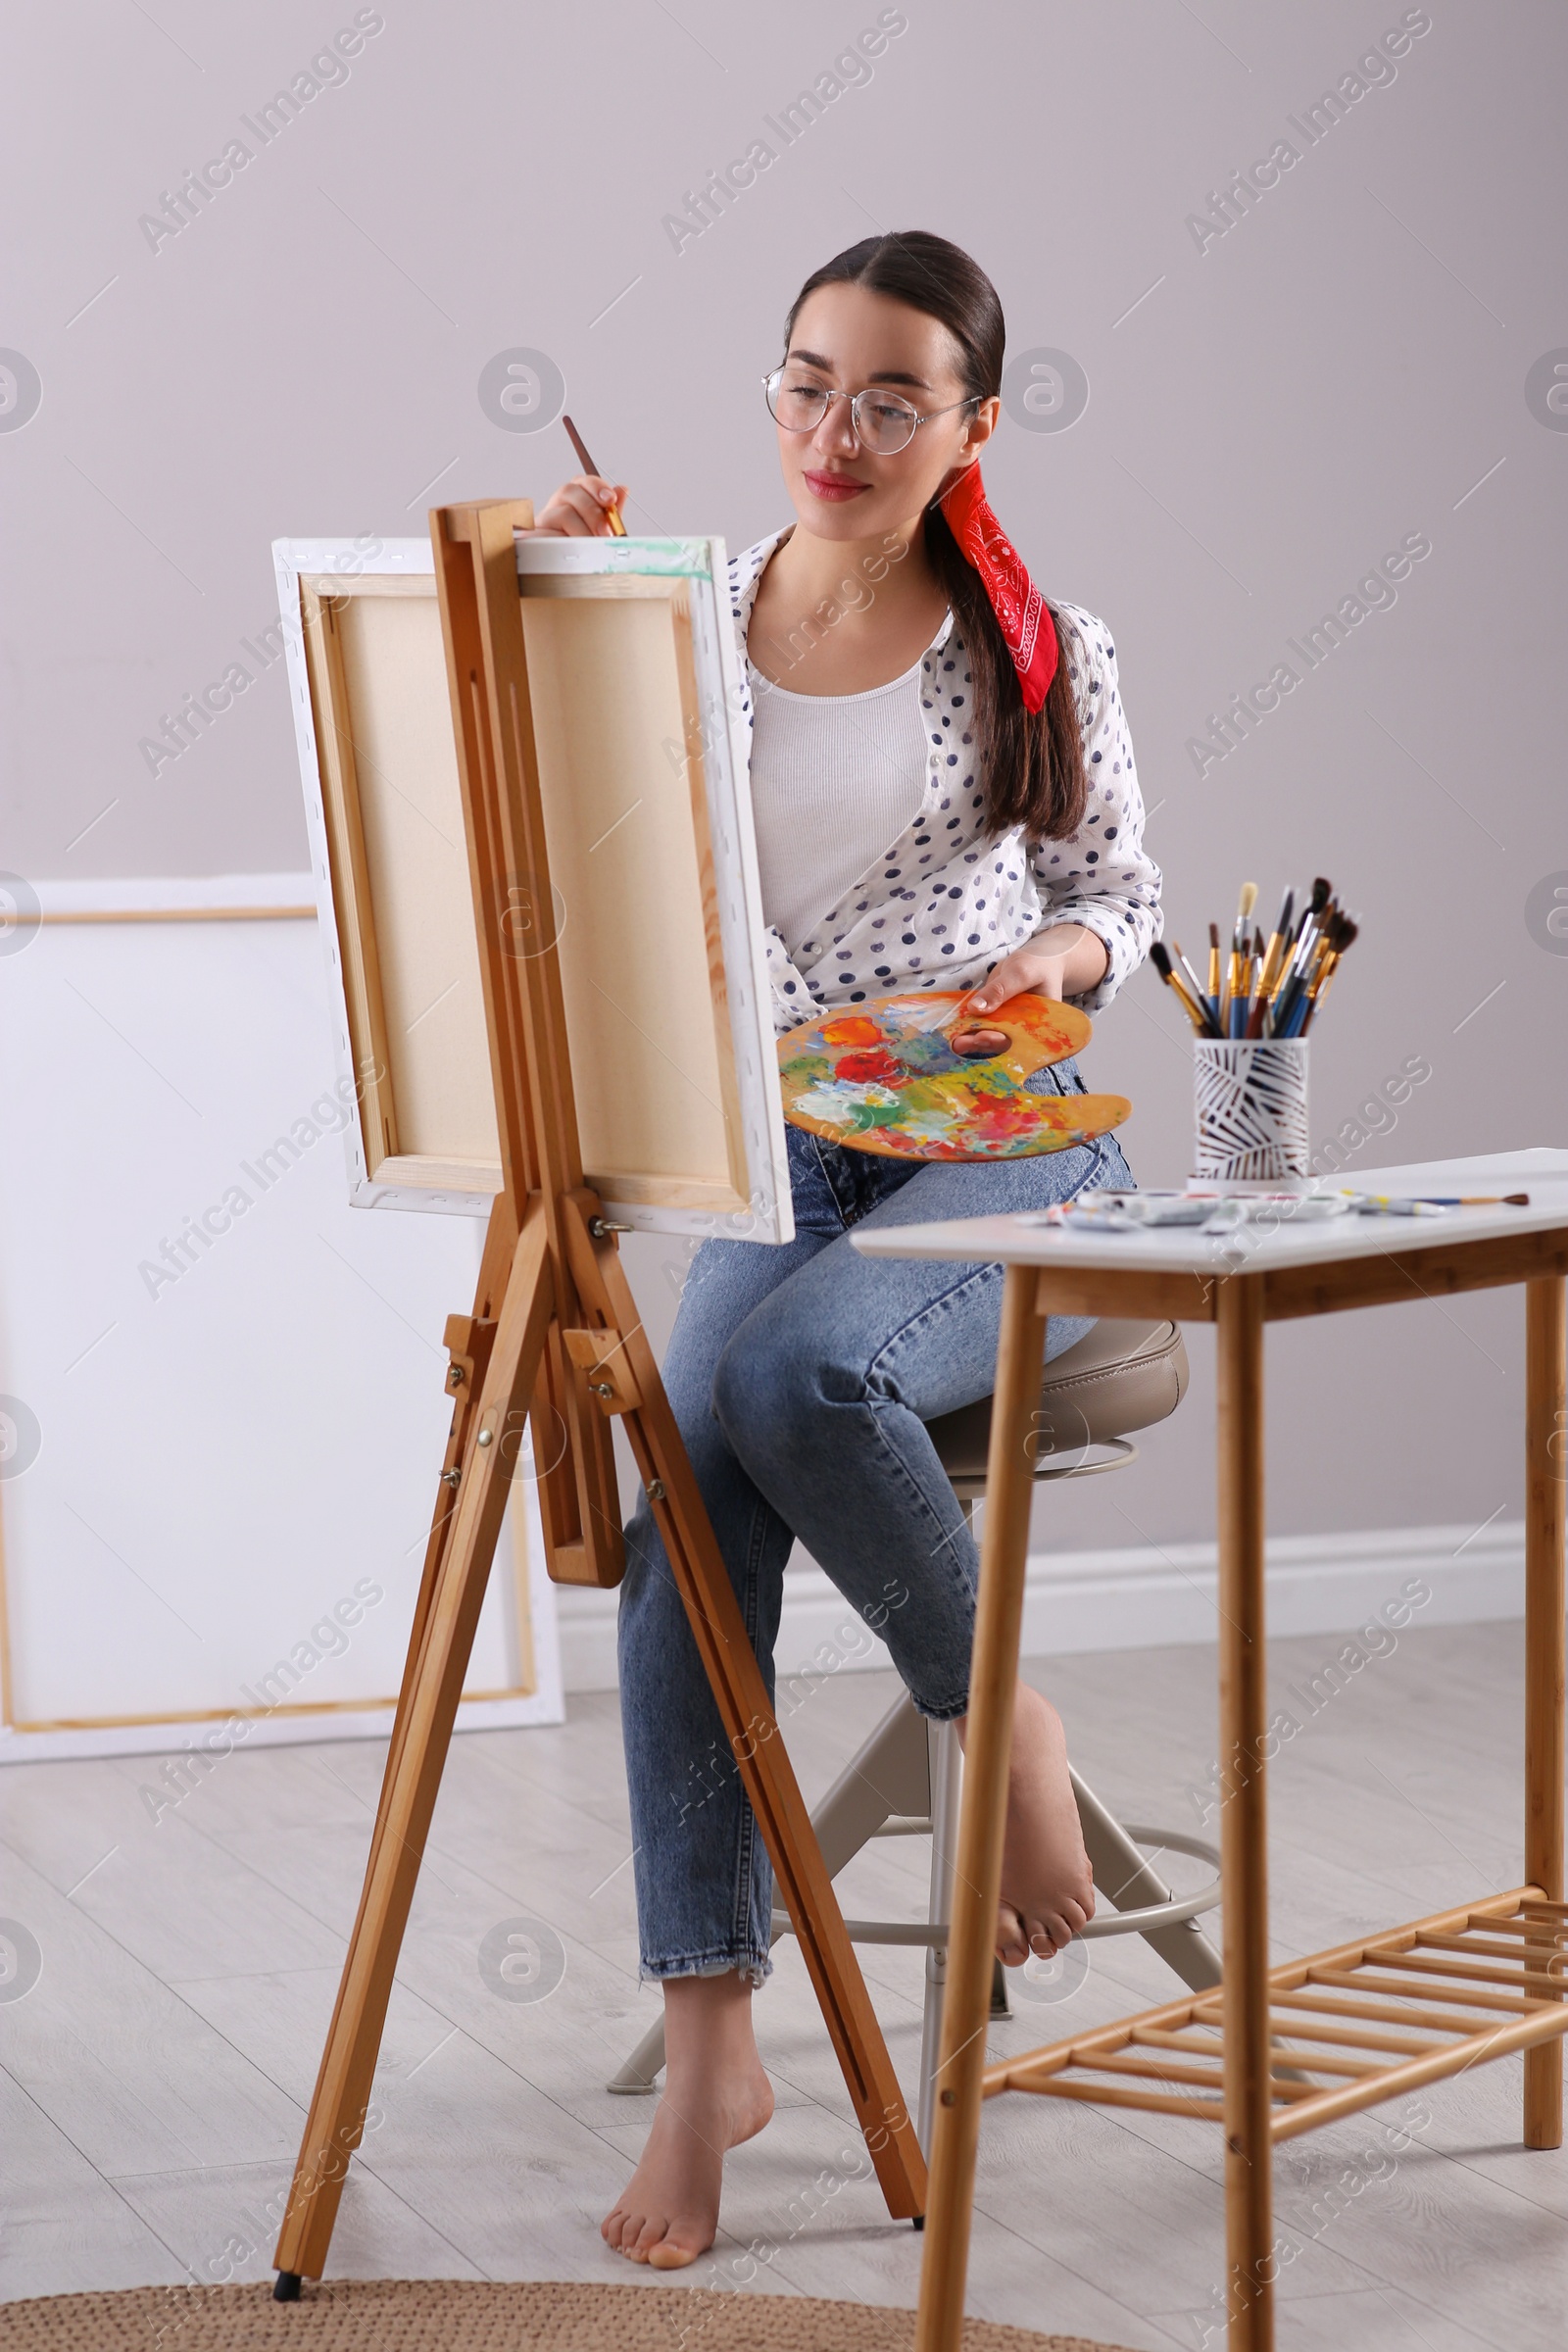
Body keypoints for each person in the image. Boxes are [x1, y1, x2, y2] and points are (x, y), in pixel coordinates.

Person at [524, 229, 1161, 2270]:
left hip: (998, 1139)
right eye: (808, 383)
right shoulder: (688, 620)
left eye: (892, 396)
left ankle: (999, 1720)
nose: (838, 429)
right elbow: (563, 835)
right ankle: (709, 2027)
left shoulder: (1029, 639)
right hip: (783, 1138)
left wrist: (1035, 976)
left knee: (792, 1376)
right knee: (681, 1488)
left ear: (967, 424)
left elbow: (1116, 898)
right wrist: (557, 613)